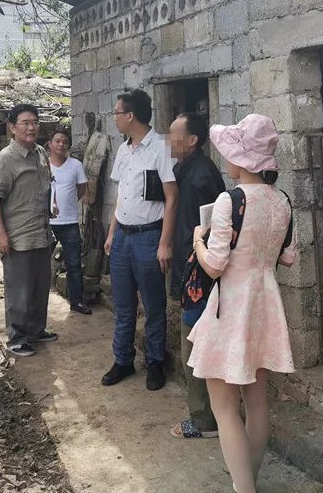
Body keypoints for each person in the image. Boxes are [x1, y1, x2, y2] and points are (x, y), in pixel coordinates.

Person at [188, 114, 296, 493]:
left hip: (232, 306)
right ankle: (246, 479)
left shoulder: (228, 200)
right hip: (266, 305)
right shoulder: (281, 200)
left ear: (242, 160)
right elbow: (289, 257)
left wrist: (198, 239)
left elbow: (215, 265)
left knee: (223, 407)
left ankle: (243, 487)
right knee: (257, 402)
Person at [102, 89, 178, 391]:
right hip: (122, 237)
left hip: (149, 237)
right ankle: (123, 359)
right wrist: (111, 234)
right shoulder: (124, 150)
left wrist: (164, 243)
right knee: (123, 305)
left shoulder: (161, 148)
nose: (115, 118)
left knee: (154, 304)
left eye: (117, 113)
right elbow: (121, 197)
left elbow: (172, 198)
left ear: (130, 115)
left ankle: (155, 361)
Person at [168, 112, 225, 440]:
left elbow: (203, 234)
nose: (169, 141)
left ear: (192, 140)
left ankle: (205, 421)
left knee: (195, 350)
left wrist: (189, 277)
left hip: (198, 281)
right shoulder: (185, 170)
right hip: (193, 276)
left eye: (175, 135)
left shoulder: (201, 176)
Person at [0, 103, 58, 358]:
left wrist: (52, 204)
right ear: (12, 128)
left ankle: (36, 330)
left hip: (41, 232)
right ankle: (17, 337)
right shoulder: (5, 160)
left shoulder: (40, 152)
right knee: (20, 290)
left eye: (35, 122)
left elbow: (44, 185)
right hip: (18, 237)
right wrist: (0, 234)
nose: (31, 127)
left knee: (40, 287)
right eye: (25, 123)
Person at [48, 129, 92, 315]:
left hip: (70, 223)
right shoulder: (43, 165)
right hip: (47, 223)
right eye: (57, 141)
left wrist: (68, 204)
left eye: (65, 141)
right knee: (41, 264)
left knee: (74, 264)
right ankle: (40, 302)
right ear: (50, 144)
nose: (61, 144)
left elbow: (81, 189)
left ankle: (77, 301)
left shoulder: (75, 165)